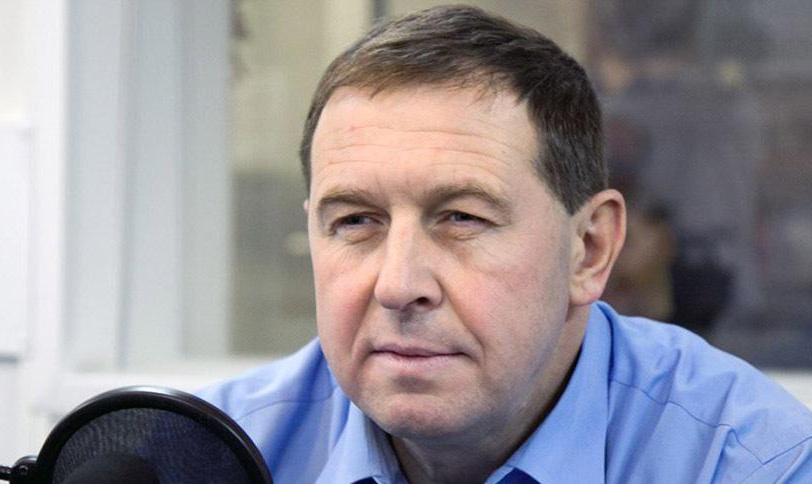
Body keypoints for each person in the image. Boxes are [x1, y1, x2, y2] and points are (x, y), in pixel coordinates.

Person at [199, 6, 812, 483]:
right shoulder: (207, 454)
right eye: (356, 221)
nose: (398, 285)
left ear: (589, 249)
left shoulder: (750, 463)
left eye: (461, 218)